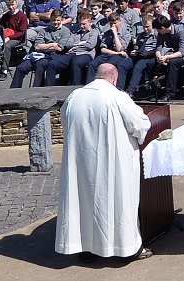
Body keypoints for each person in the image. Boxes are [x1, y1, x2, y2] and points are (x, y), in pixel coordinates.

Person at [55, 63, 153, 262]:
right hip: (114, 162)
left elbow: (64, 121)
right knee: (117, 202)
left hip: (80, 161)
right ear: (114, 79)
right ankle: (127, 248)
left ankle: (85, 248)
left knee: (82, 201)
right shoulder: (117, 97)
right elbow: (140, 124)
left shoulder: (74, 97)